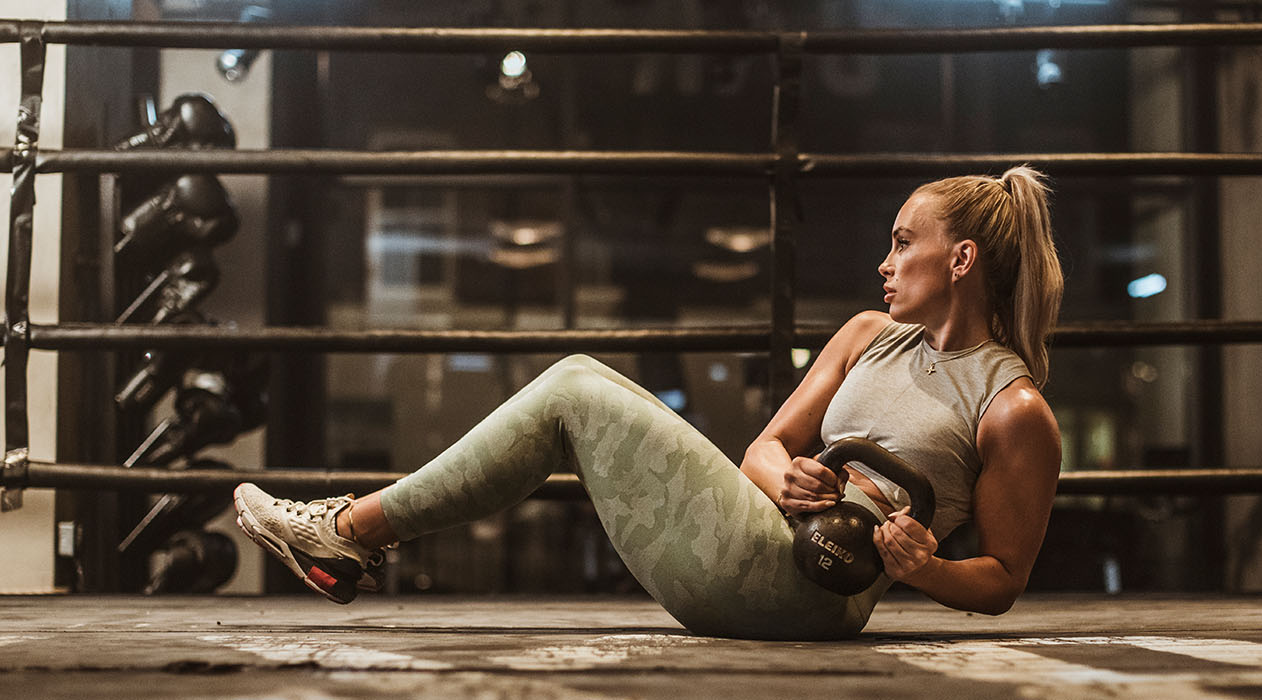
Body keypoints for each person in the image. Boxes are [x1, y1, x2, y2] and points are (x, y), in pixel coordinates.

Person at [233, 166, 1064, 641]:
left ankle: (345, 534)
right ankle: (347, 537)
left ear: (959, 260)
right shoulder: (864, 335)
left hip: (810, 589)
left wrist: (926, 567)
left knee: (570, 388)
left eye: (901, 243)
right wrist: (785, 477)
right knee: (578, 386)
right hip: (755, 533)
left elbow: (1000, 582)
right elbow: (762, 448)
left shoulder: (1013, 407)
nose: (884, 263)